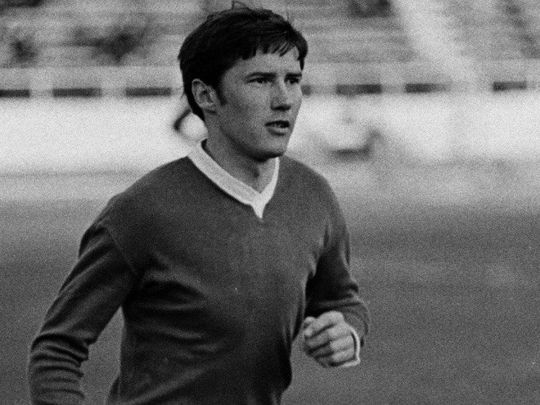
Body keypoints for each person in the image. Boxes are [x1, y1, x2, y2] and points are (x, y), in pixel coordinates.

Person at [28, 5, 370, 404]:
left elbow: (341, 299)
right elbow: (56, 351)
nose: (284, 99)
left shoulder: (313, 195)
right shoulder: (142, 211)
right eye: (260, 80)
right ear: (206, 95)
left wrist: (345, 332)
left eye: (292, 80)